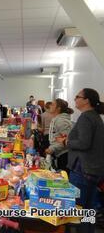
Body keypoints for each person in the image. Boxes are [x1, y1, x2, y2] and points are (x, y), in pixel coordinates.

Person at [57, 89, 104, 233]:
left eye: (78, 97)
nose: (75, 99)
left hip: (83, 169)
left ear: (86, 100)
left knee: (76, 209)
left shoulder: (86, 117)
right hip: (93, 169)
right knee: (88, 209)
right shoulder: (95, 117)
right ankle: (87, 230)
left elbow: (84, 143)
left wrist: (66, 142)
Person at [45, 99, 73, 172]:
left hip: (64, 155)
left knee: (63, 177)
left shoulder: (61, 121)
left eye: (53, 104)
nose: (50, 106)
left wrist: (52, 149)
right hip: (58, 153)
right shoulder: (56, 119)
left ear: (58, 108)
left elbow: (66, 140)